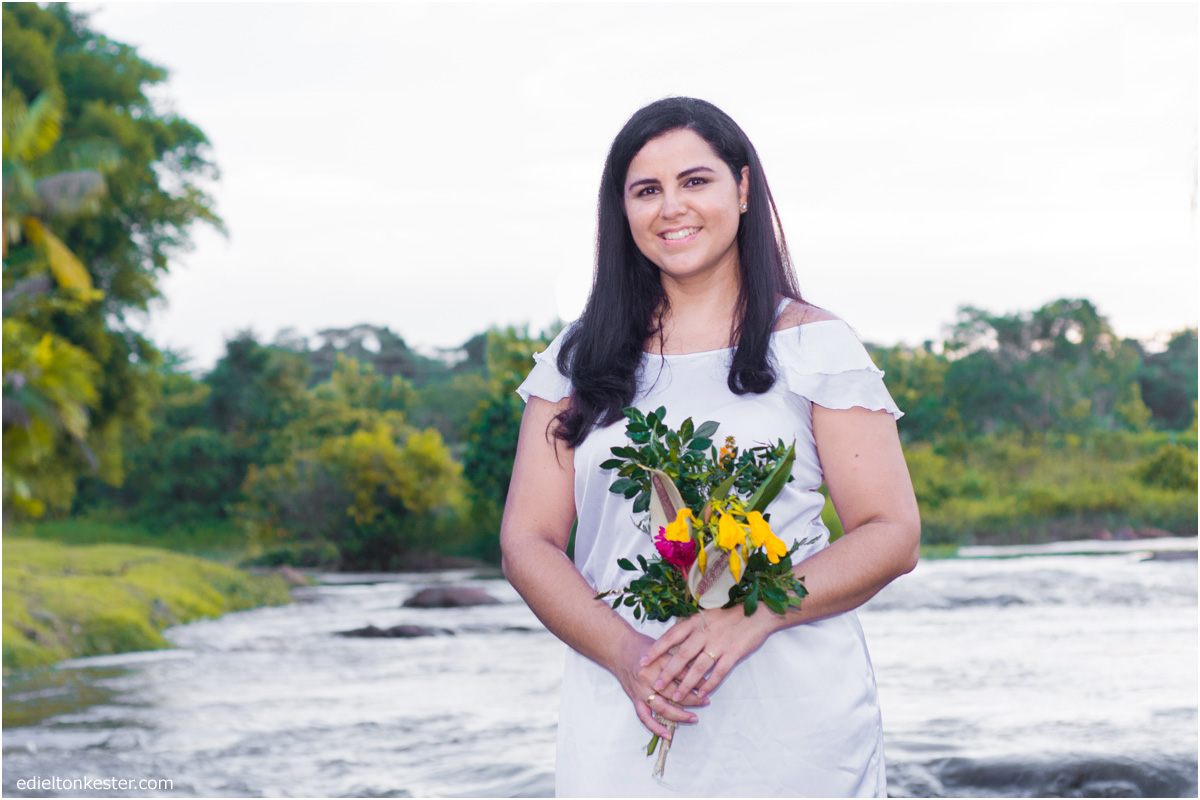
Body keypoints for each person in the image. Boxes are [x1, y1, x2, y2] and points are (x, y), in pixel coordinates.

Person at [500, 97, 921, 797]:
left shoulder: (815, 345)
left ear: (743, 188)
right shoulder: (576, 360)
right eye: (646, 190)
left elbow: (892, 534)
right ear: (622, 210)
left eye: (695, 181)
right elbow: (527, 541)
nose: (672, 208)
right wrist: (626, 654)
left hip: (793, 724)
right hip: (628, 708)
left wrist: (752, 616)